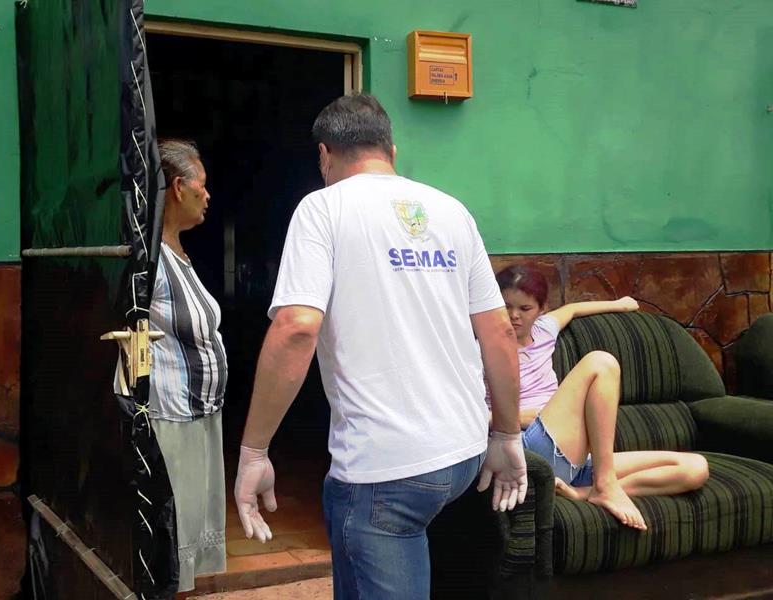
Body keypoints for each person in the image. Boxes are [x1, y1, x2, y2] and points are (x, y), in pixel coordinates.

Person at [233, 93, 527, 599]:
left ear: (324, 154)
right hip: (461, 454)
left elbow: (298, 326)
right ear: (391, 147)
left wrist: (254, 449)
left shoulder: (322, 209)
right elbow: (499, 330)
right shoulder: (451, 211)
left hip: (385, 473)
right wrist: (505, 434)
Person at [493, 264, 709, 531]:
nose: (514, 316)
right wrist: (529, 415)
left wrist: (620, 304)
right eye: (506, 306)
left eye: (525, 309)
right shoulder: (483, 348)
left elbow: (572, 310)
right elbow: (477, 418)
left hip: (574, 457)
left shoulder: (545, 331)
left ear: (541, 309)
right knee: (601, 362)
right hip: (529, 449)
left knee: (695, 467)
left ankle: (586, 493)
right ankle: (606, 484)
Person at [147, 140, 227, 591]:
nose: (208, 194)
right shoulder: (150, 258)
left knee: (194, 510)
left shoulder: (178, 252)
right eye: (203, 184)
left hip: (200, 411)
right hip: (171, 411)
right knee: (175, 512)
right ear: (178, 187)